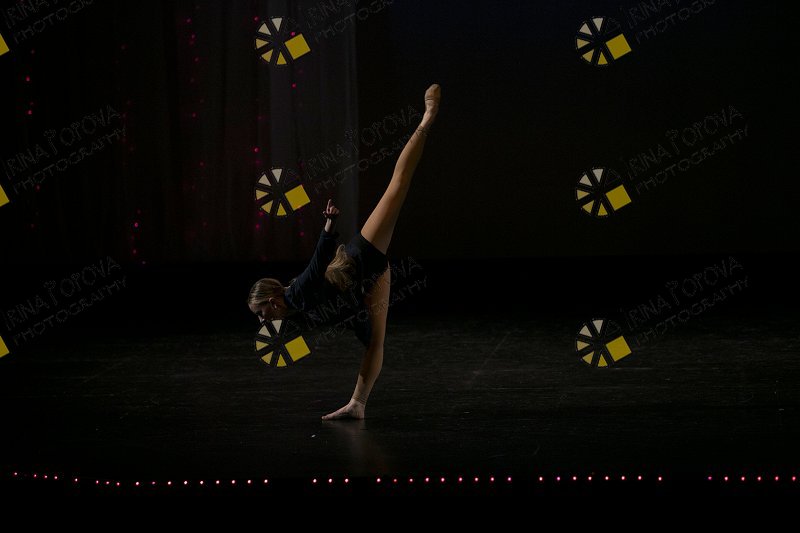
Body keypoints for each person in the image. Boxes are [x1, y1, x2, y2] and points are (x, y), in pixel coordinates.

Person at [248, 84, 441, 420]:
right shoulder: (293, 315)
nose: (262, 321)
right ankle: (358, 404)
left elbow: (315, 266)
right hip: (366, 285)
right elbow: (296, 341)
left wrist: (327, 228)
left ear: (272, 300)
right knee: (374, 344)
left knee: (397, 187)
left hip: (363, 257)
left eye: (261, 313)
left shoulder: (297, 293)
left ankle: (427, 118)